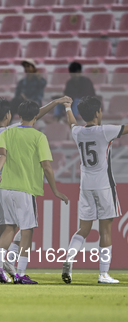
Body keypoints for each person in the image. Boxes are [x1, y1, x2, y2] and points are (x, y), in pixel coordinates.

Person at [0, 85, 72, 283]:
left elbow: (2, 155)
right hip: (25, 189)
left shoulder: (6, 133)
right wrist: (55, 190)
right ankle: (20, 274)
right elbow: (47, 167)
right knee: (27, 231)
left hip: (5, 187)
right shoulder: (39, 136)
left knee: (9, 228)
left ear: (17, 115)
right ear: (34, 117)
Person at [61, 96, 127, 284]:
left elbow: (72, 123)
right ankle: (103, 274)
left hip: (86, 186)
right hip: (104, 185)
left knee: (83, 228)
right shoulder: (105, 131)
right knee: (105, 229)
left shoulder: (79, 133)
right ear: (98, 112)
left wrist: (67, 108)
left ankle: (68, 260)